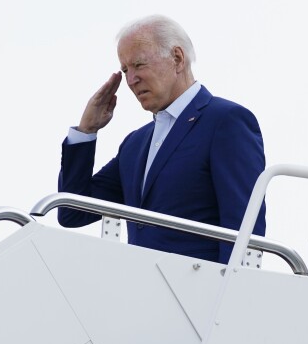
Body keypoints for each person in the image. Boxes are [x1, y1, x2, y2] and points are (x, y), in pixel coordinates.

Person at [57, 15, 266, 264]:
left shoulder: (226, 120)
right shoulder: (134, 144)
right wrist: (86, 131)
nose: (131, 80)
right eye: (125, 70)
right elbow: (71, 212)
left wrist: (229, 297)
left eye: (139, 65)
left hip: (202, 295)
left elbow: (244, 227)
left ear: (177, 59)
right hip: (142, 292)